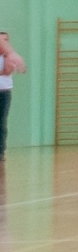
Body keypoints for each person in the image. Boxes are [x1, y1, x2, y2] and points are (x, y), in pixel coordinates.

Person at [0, 29, 24, 162]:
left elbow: (8, 70)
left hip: (4, 92)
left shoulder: (8, 57)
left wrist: (10, 55)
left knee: (1, 123)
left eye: (5, 41)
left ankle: (1, 151)